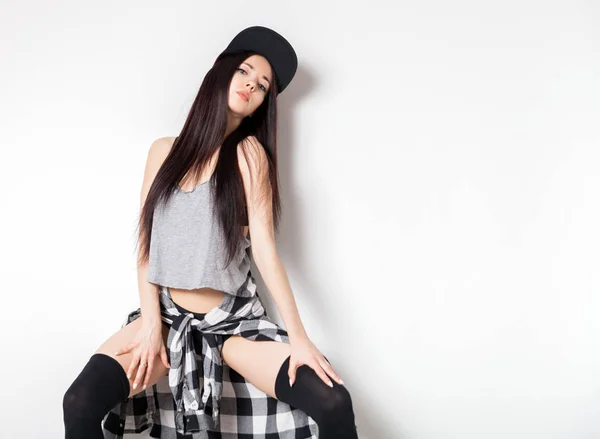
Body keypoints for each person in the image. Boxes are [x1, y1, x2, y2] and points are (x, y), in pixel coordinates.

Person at [62, 26, 359, 438]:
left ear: (260, 104)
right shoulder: (163, 151)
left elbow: (266, 252)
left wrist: (301, 340)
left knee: (333, 401)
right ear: (222, 74)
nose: (251, 85)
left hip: (232, 325)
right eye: (245, 71)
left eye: (262, 85)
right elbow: (146, 249)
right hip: (165, 318)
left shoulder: (250, 157)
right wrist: (150, 324)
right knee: (78, 403)